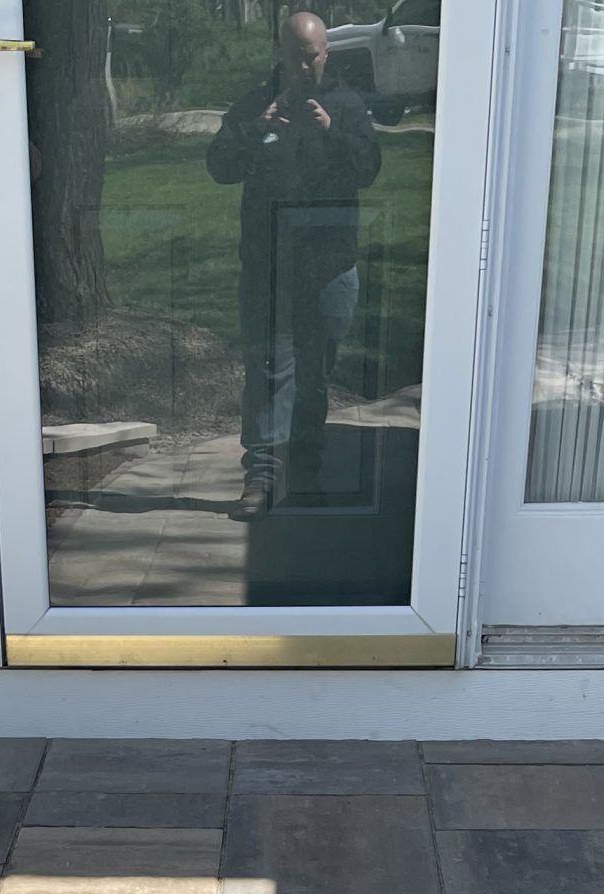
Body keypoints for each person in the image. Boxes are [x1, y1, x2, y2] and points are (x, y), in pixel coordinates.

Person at [208, 10, 382, 519]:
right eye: (295, 57)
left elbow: (368, 170)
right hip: (269, 263)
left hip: (330, 264)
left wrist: (332, 132)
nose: (304, 67)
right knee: (268, 371)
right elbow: (219, 167)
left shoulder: (348, 105)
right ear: (279, 54)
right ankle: (261, 479)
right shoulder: (255, 104)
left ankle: (305, 473)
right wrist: (254, 130)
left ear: (326, 52)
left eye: (312, 57)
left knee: (314, 375)